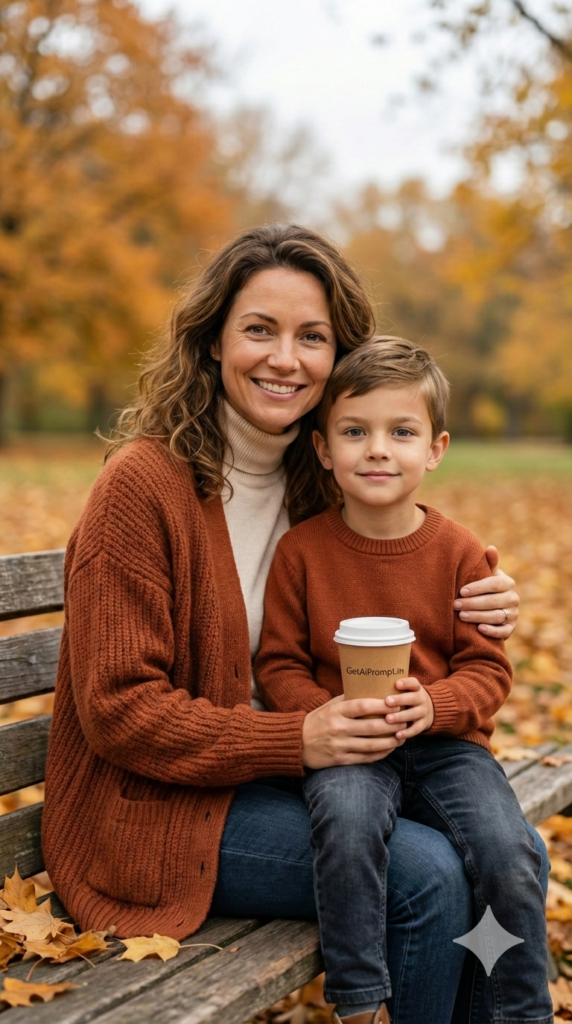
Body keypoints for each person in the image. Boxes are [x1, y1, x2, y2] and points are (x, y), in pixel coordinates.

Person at [41, 225, 542, 1024]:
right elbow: (117, 710)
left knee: (506, 856)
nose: (286, 358)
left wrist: (486, 587)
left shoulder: (317, 474)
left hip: (288, 775)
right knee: (428, 877)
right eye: (259, 330)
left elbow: (404, 549)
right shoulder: (144, 487)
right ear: (211, 342)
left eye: (312, 337)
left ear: (336, 358)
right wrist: (297, 739)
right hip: (157, 810)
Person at [255, 336, 552, 1024]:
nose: (378, 449)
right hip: (351, 744)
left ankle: (519, 1012)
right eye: (355, 432)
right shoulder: (301, 552)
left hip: (447, 746)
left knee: (510, 851)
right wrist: (324, 716)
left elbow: (487, 670)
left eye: (402, 432)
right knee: (349, 823)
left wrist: (437, 704)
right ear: (325, 449)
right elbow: (278, 664)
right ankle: (360, 1000)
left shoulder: (459, 553)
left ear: (436, 448)